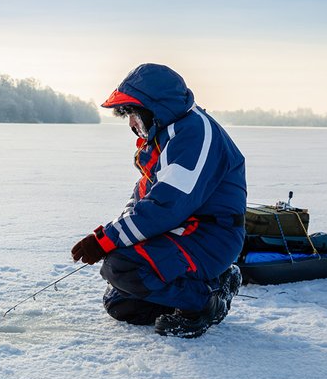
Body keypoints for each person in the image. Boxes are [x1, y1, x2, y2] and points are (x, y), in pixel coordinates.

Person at [71, 64, 246, 338]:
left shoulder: (194, 135)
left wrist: (106, 240)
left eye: (133, 114)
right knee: (121, 304)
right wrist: (117, 232)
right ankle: (208, 283)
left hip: (210, 235)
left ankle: (205, 299)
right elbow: (143, 197)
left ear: (156, 108)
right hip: (179, 230)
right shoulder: (165, 134)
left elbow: (166, 206)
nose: (131, 124)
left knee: (122, 266)